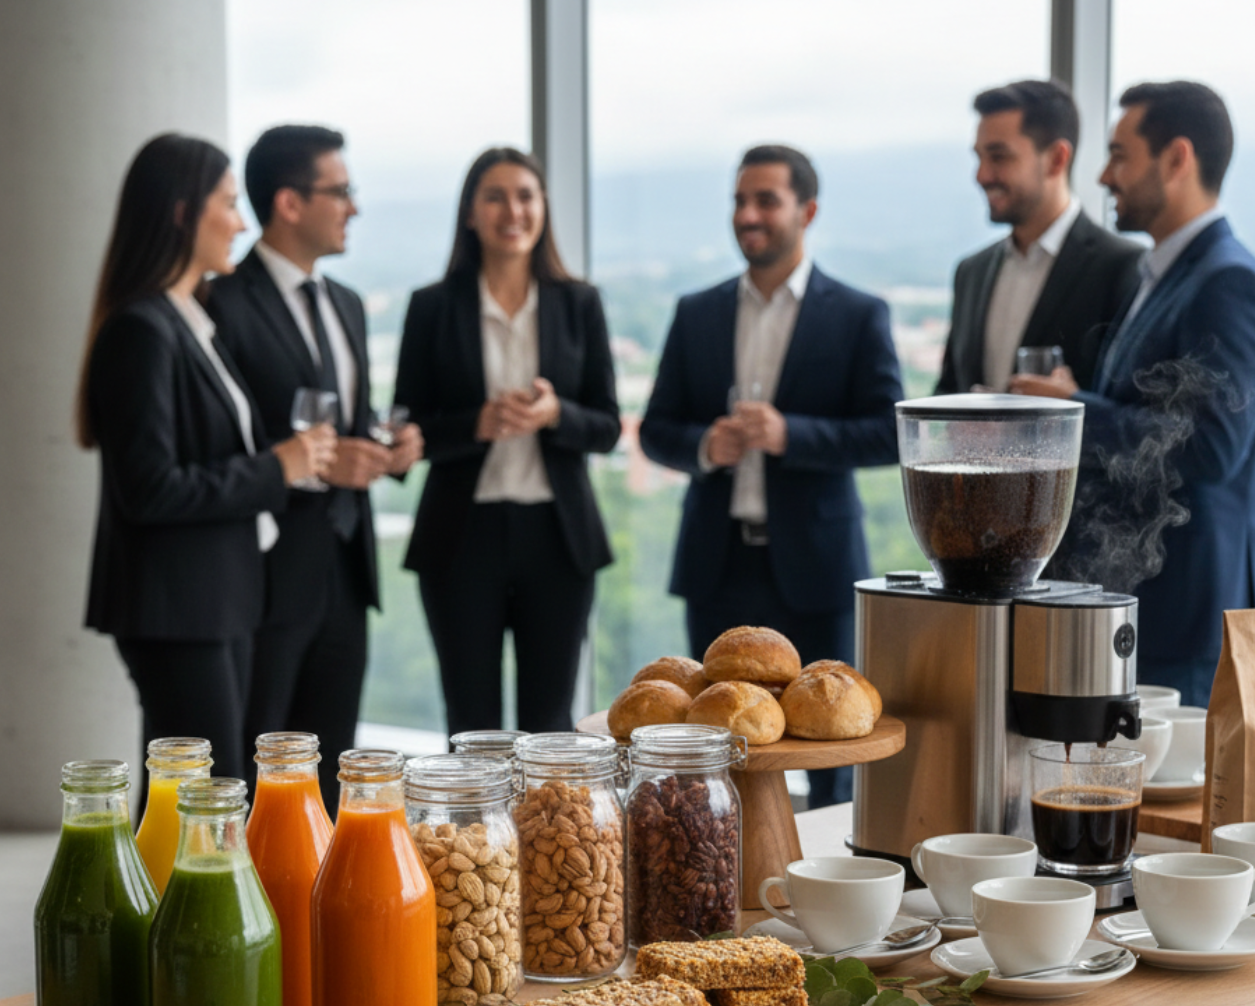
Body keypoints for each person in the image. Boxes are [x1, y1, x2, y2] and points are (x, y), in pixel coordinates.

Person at [638, 144, 903, 808]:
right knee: (712, 744)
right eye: (739, 200)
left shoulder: (857, 313)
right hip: (718, 564)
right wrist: (706, 446)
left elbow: (888, 431)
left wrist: (791, 435)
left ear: (806, 211)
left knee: (832, 748)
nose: (748, 214)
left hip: (816, 565)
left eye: (765, 200)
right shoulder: (695, 312)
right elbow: (655, 429)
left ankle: (832, 885)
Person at [1012, 82, 1255, 706]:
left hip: (1188, 617)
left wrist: (1071, 412)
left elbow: (1211, 447)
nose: (1104, 175)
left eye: (1119, 155)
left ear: (1177, 158)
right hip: (1146, 602)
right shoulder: (1161, 273)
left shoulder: (1228, 280)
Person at [79, 134, 336, 783]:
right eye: (227, 203)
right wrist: (277, 467)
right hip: (176, 604)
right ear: (180, 212)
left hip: (215, 597)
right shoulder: (142, 330)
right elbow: (150, 489)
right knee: (199, 804)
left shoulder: (189, 320)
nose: (241, 221)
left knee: (193, 803)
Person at [208, 125, 421, 812]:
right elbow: (223, 438)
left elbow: (348, 429)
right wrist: (318, 466)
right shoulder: (223, 304)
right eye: (342, 192)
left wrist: (389, 455)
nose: (353, 207)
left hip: (348, 571)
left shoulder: (348, 304)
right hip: (269, 575)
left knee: (334, 764)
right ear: (290, 203)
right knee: (257, 760)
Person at [393, 147, 620, 735]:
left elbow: (607, 425)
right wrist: (477, 424)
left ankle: (551, 831)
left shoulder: (579, 303)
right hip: (460, 537)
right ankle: (472, 830)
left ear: (543, 207)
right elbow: (405, 428)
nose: (512, 210)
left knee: (551, 721)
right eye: (495, 196)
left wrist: (553, 414)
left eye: (525, 195)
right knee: (471, 723)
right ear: (470, 213)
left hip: (558, 537)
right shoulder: (431, 307)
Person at [937, 79, 1142, 395]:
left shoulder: (1123, 268)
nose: (981, 175)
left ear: (1057, 158)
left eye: (999, 156)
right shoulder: (971, 272)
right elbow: (949, 391)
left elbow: (1126, 410)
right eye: (979, 157)